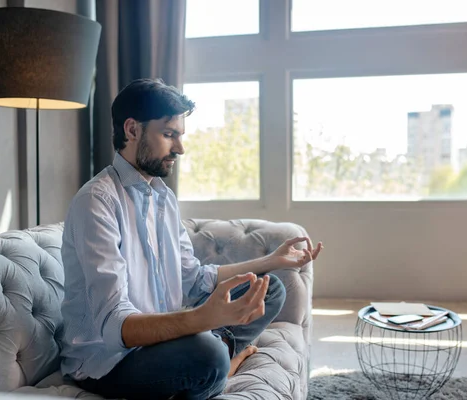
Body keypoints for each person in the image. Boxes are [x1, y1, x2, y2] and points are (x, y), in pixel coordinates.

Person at [59, 78, 323, 400]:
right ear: (132, 130)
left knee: (269, 287)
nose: (180, 148)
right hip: (109, 362)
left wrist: (272, 261)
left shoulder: (162, 198)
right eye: (169, 135)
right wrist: (203, 319)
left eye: (180, 136)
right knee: (207, 354)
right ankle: (223, 364)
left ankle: (216, 361)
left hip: (161, 343)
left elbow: (193, 279)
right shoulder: (97, 202)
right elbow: (118, 328)